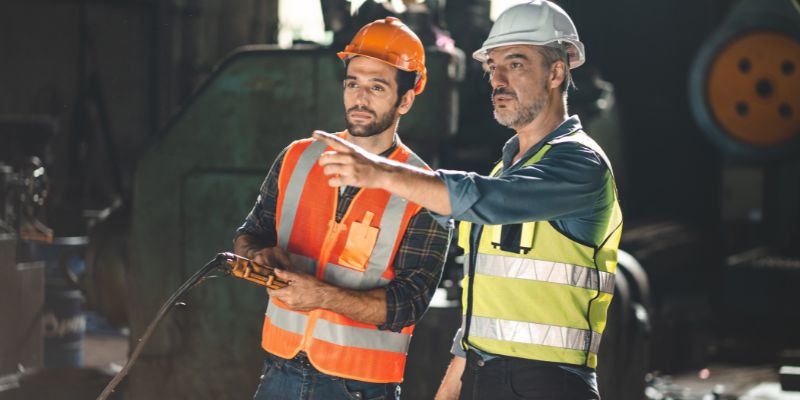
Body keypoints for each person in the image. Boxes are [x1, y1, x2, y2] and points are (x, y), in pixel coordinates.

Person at [313, 1, 622, 399]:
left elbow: (481, 198)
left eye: (515, 64)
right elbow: (489, 303)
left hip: (550, 383)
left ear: (556, 72)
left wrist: (379, 171)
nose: (497, 80)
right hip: (487, 376)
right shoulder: (505, 169)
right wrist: (452, 384)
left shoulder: (579, 164)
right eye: (492, 67)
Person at [233, 17, 450, 400]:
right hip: (278, 369)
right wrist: (259, 256)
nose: (360, 98)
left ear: (406, 98)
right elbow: (251, 233)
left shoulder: (425, 190)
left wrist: (321, 296)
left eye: (376, 86)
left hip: (358, 387)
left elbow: (407, 304)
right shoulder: (298, 157)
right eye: (353, 83)